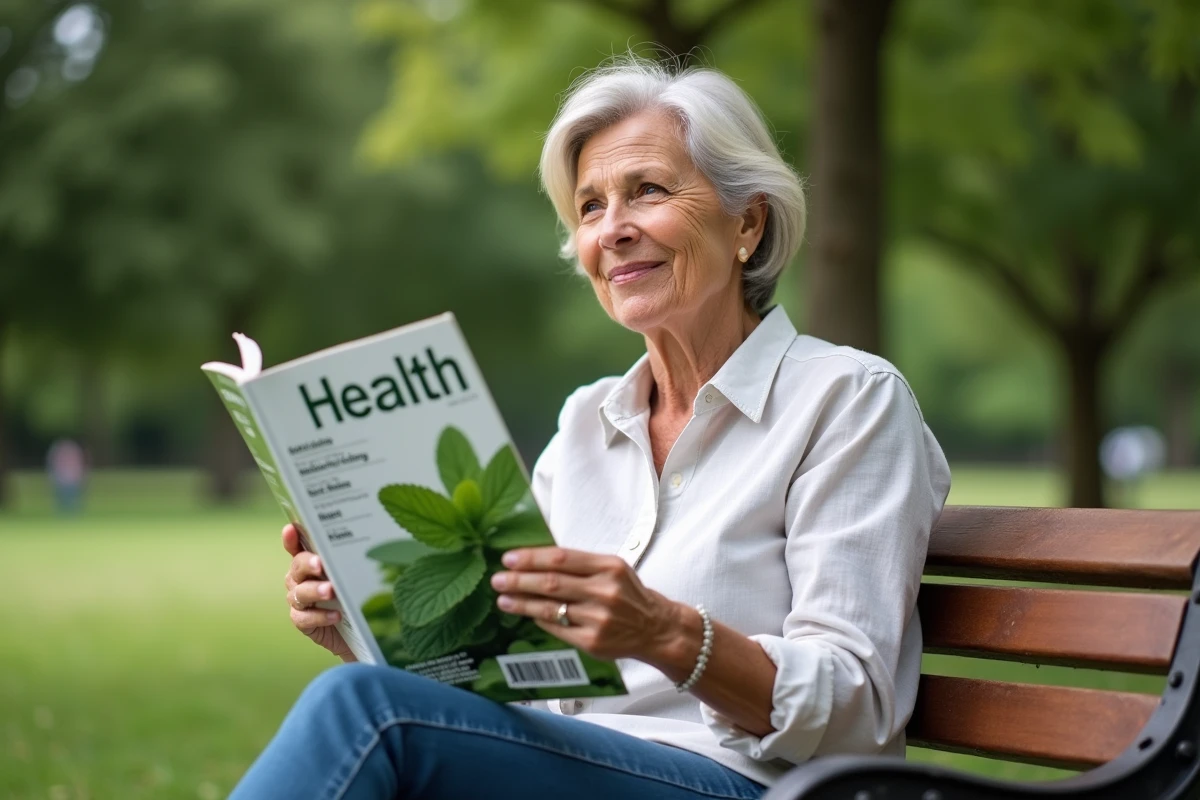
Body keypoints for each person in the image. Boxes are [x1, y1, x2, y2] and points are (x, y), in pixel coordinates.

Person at [231, 56, 951, 800]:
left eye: (648, 190)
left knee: (364, 712)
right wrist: (362, 631)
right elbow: (510, 677)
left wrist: (667, 634)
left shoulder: (848, 400)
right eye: (590, 207)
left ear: (748, 220)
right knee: (366, 696)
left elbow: (856, 707)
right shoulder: (584, 422)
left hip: (755, 786)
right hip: (580, 769)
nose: (613, 230)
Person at [46, 437, 86, 514]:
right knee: (63, 499)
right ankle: (64, 512)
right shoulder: (60, 452)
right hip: (62, 479)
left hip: (72, 479)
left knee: (72, 498)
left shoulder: (72, 452)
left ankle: (72, 512)